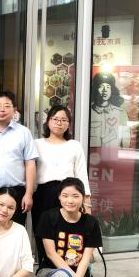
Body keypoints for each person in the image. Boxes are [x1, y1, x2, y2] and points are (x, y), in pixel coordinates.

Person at [35, 177, 101, 277]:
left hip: (79, 276)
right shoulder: (49, 217)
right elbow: (51, 254)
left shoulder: (91, 222)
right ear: (59, 197)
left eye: (75, 196)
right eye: (65, 196)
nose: (70, 200)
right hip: (51, 274)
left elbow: (85, 259)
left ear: (83, 197)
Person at [33, 105, 92, 256]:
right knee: (42, 230)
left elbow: (81, 174)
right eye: (55, 119)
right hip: (43, 194)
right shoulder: (37, 144)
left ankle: (69, 265)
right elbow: (29, 170)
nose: (59, 123)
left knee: (68, 232)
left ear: (68, 124)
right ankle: (45, 265)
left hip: (68, 194)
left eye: (64, 120)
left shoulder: (74, 145)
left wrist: (86, 203)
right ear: (48, 121)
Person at [0, 91, 39, 226]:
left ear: (14, 110)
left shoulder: (24, 132)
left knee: (14, 231)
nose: (2, 109)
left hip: (16, 192)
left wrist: (29, 194)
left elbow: (30, 164)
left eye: (7, 106)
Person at [89, 72, 130, 148]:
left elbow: (125, 139)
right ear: (95, 89)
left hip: (113, 154)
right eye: (101, 87)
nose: (105, 90)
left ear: (112, 90)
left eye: (108, 87)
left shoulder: (120, 113)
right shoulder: (87, 112)